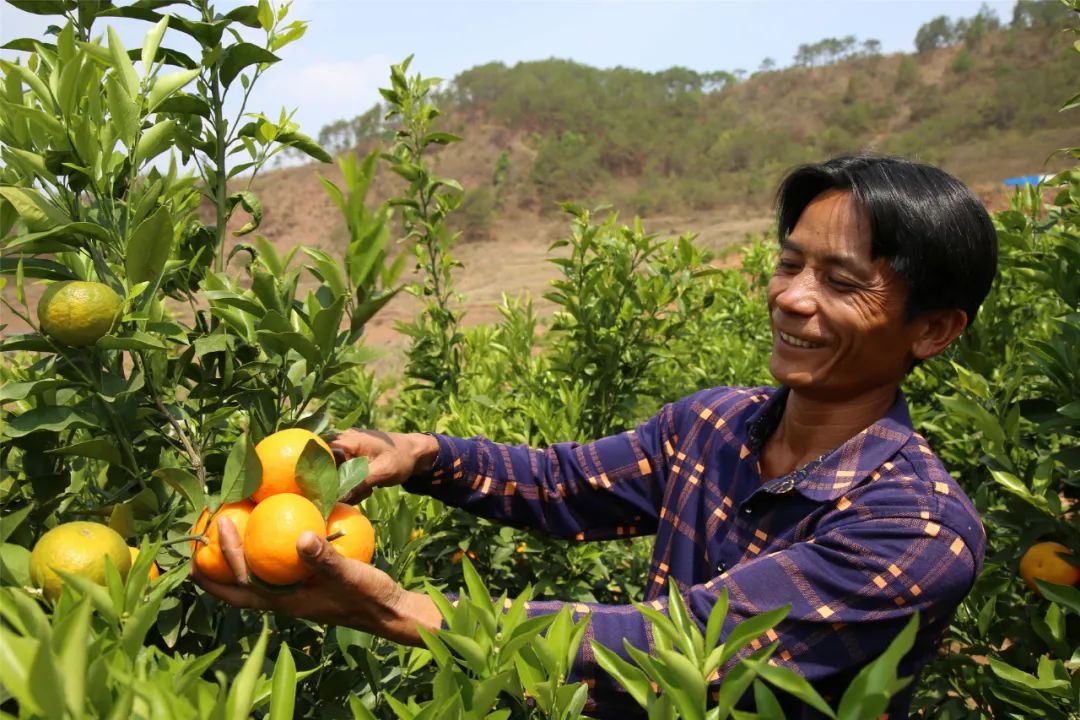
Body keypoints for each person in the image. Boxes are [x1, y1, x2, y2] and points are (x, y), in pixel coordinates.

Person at [194, 153, 997, 718]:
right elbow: (561, 484)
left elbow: (676, 652)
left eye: (842, 282)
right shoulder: (712, 423)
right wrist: (426, 457)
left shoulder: (915, 530)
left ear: (933, 330)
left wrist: (401, 611)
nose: (792, 298)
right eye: (789, 265)